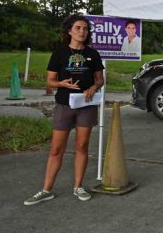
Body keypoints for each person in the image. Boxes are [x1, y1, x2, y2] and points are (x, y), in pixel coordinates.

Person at [24, 14, 105, 205]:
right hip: (64, 105)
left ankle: (78, 187)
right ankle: (46, 190)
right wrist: (61, 83)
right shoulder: (59, 53)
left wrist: (94, 87)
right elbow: (50, 81)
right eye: (78, 28)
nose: (82, 32)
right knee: (56, 148)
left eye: (85, 29)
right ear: (69, 31)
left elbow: (99, 79)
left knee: (82, 146)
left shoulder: (93, 54)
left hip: (86, 105)